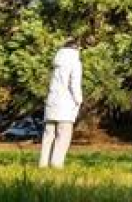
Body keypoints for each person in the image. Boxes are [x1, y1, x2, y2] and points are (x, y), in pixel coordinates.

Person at [39, 38, 83, 169]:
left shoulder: (57, 62)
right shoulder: (75, 62)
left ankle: (43, 164)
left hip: (52, 102)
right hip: (66, 104)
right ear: (76, 49)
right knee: (63, 135)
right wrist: (79, 99)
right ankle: (56, 164)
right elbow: (74, 84)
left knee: (48, 136)